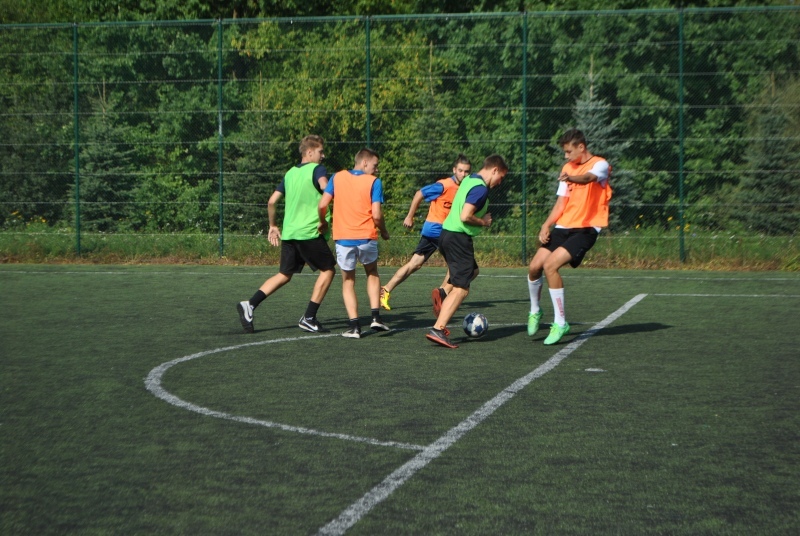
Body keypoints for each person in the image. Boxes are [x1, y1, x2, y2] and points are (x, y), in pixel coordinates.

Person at [236, 135, 336, 334]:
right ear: (309, 152)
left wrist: (273, 225)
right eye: (320, 151)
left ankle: (250, 304)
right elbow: (325, 186)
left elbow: (272, 201)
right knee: (328, 270)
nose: (323, 156)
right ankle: (309, 318)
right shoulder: (318, 169)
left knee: (284, 275)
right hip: (309, 232)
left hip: (290, 234)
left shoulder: (290, 173)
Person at [526, 128, 612, 345]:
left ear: (581, 147)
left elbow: (588, 178)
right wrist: (546, 225)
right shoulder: (567, 168)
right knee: (534, 267)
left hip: (586, 229)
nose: (566, 156)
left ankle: (560, 323)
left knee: (551, 265)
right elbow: (561, 203)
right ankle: (535, 311)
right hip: (564, 227)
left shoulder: (600, 165)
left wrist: (571, 177)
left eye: (568, 151)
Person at [425, 154, 508, 349]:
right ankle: (438, 329)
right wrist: (483, 222)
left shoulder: (470, 179)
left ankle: (444, 292)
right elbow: (465, 216)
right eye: (501, 177)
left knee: (472, 271)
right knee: (462, 289)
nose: (500, 182)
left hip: (447, 234)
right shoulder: (480, 189)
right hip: (458, 238)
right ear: (494, 170)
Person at [379, 154, 472, 313]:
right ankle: (442, 294)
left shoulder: (464, 188)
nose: (463, 174)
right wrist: (410, 216)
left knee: (415, 263)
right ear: (454, 170)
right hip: (438, 229)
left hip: (433, 230)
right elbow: (419, 193)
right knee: (457, 263)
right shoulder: (444, 185)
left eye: (467, 172)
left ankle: (386, 289)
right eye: (460, 171)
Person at [318, 148, 391, 339]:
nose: (376, 169)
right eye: (375, 165)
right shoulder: (374, 182)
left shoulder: (337, 177)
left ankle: (355, 327)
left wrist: (323, 222)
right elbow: (376, 215)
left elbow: (322, 204)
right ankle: (375, 317)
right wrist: (384, 231)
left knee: (348, 280)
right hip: (367, 237)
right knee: (372, 273)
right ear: (364, 162)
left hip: (343, 238)